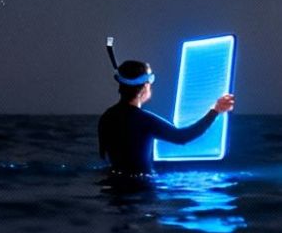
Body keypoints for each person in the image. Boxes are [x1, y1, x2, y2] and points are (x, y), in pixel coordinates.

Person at [98, 56, 235, 175]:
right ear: (145, 86)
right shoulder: (143, 120)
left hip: (113, 187)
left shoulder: (106, 117)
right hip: (140, 190)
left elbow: (104, 155)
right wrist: (215, 111)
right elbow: (182, 137)